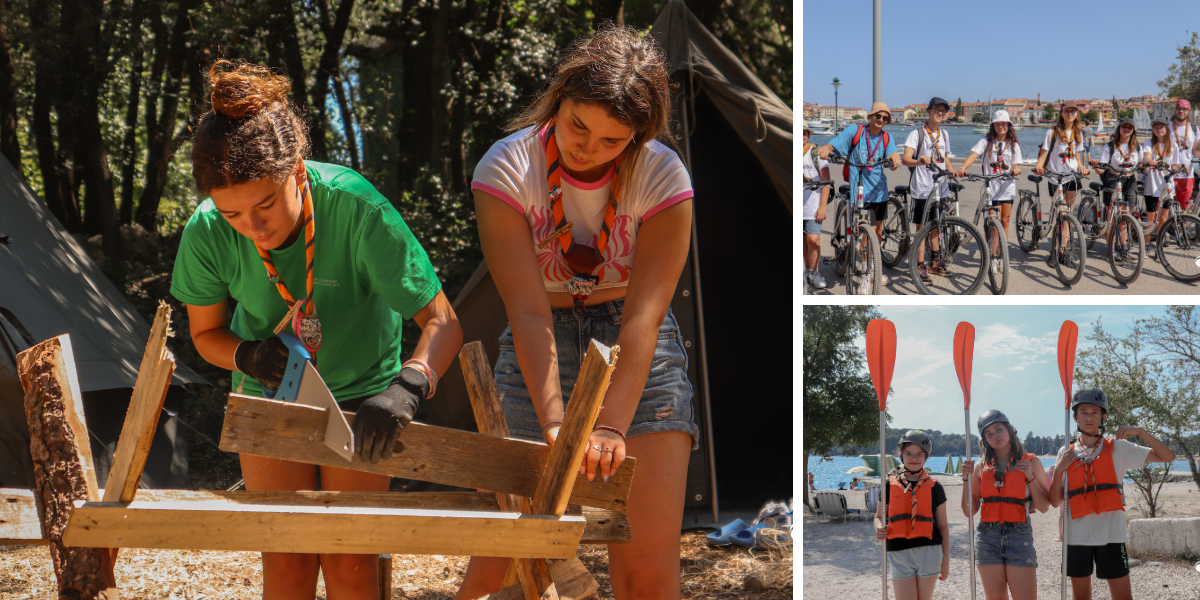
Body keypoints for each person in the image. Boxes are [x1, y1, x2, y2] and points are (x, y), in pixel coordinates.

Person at [171, 61, 463, 599]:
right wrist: (248, 356)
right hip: (269, 396)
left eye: (264, 204)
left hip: (362, 401)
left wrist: (410, 385)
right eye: (234, 215)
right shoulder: (206, 230)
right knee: (287, 561)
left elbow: (443, 322)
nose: (253, 227)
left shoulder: (355, 207)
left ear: (298, 172)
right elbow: (207, 336)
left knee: (350, 563)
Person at [457, 26, 698, 600]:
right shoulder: (505, 168)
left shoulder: (664, 176)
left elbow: (644, 313)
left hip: (635, 344)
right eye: (577, 126)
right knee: (505, 562)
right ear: (559, 99)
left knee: (646, 569)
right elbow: (526, 308)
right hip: (539, 339)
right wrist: (557, 424)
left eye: (613, 141)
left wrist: (611, 423)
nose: (587, 148)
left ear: (639, 139)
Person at [1049, 388, 1176, 600]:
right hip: (1075, 537)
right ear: (1075, 417)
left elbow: (1167, 456)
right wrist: (1059, 470)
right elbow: (1054, 501)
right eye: (1084, 412)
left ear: (1103, 417)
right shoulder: (1066, 453)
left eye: (1094, 412)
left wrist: (1140, 432)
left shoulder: (1119, 448)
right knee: (1081, 597)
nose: (1089, 417)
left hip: (1111, 536)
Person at [960, 410, 1050, 600]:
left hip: (1019, 534)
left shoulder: (1031, 461)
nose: (995, 436)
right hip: (986, 536)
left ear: (1009, 430)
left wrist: (1030, 477)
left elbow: (1044, 507)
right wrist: (966, 481)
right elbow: (970, 511)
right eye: (989, 434)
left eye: (999, 429)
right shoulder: (980, 466)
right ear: (985, 440)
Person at [818, 102, 902, 291]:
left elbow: (893, 154)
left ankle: (873, 266)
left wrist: (895, 159)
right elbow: (834, 144)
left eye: (885, 118)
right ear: (870, 116)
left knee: (877, 231)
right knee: (867, 230)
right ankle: (866, 272)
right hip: (860, 189)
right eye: (878, 116)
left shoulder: (887, 137)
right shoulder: (855, 131)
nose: (881, 120)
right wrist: (826, 148)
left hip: (879, 190)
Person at [875, 430, 949, 600]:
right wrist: (879, 528)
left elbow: (943, 526)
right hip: (899, 552)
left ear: (926, 457)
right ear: (901, 455)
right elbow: (879, 516)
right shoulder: (889, 485)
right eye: (908, 454)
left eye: (919, 454)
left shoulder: (935, 487)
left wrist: (946, 562)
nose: (914, 458)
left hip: (930, 552)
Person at [956, 110, 1023, 269]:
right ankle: (993, 255)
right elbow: (973, 155)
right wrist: (963, 167)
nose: (1001, 126)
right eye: (998, 124)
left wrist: (1016, 169)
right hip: (991, 188)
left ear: (1009, 125)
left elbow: (1016, 164)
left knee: (1005, 221)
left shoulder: (1013, 144)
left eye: (1004, 123)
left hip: (1007, 187)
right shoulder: (985, 141)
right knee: (994, 222)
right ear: (993, 126)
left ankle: (1003, 254)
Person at [903, 97, 959, 283]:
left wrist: (952, 171)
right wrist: (920, 160)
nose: (940, 113)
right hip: (922, 187)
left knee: (936, 226)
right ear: (928, 111)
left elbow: (945, 158)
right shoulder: (917, 134)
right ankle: (919, 266)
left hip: (940, 188)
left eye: (943, 111)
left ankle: (935, 263)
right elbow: (905, 159)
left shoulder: (944, 135)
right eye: (937, 109)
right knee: (922, 228)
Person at [1034, 101, 1091, 266]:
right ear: (1061, 113)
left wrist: (1082, 168)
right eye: (1067, 111)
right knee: (1061, 216)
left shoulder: (1078, 133)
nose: (1070, 114)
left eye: (1073, 111)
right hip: (1055, 178)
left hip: (1072, 178)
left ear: (1077, 114)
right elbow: (1044, 153)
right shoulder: (1051, 132)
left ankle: (1063, 250)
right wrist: (1039, 165)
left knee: (1068, 216)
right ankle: (1055, 249)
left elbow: (1077, 159)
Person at [1088, 118, 1140, 259]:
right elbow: (1101, 170)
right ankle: (1111, 251)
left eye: (1130, 127)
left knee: (1125, 218)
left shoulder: (1137, 147)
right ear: (1119, 129)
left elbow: (1141, 165)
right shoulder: (1109, 147)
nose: (1127, 129)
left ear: (1133, 130)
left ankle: (1124, 250)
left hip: (1130, 181)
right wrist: (1096, 165)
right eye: (1124, 126)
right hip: (1113, 180)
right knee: (1111, 217)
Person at [1141, 117, 1183, 256]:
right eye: (1156, 127)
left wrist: (1181, 167)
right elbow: (1146, 157)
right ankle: (1146, 246)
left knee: (1163, 219)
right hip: (1152, 185)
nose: (1159, 129)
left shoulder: (1173, 145)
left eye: (1162, 127)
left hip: (1167, 185)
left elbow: (1175, 164)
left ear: (1166, 128)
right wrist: (1149, 161)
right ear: (1153, 129)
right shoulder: (1149, 142)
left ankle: (1158, 249)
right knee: (1150, 219)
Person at [802, 120, 831, 290]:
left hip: (813, 206)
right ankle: (805, 272)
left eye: (804, 133)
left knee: (813, 240)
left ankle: (814, 272)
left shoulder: (815, 154)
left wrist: (823, 206)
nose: (802, 136)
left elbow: (826, 181)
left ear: (808, 135)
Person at [1169, 100, 1197, 209]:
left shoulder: (1194, 129)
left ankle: (1181, 227)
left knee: (1183, 209)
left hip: (1187, 175)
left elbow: (1195, 150)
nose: (1181, 111)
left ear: (1189, 111)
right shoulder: (1166, 127)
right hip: (1169, 174)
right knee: (1167, 209)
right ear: (1175, 110)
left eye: (1184, 109)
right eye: (1179, 108)